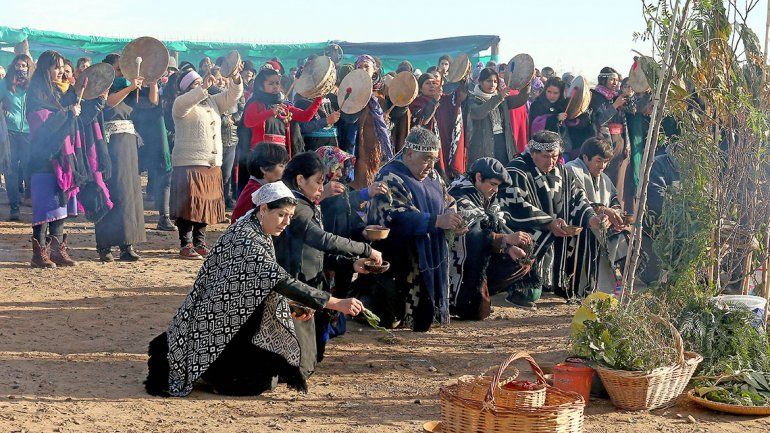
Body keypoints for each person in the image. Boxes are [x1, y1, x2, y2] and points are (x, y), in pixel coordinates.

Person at [144, 181, 369, 397]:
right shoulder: (247, 240)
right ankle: (212, 372)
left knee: (267, 376)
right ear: (263, 209)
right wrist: (337, 303)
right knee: (256, 383)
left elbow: (260, 283)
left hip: (235, 314)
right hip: (217, 324)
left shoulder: (253, 225)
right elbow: (279, 280)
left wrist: (292, 304)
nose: (286, 222)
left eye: (290, 216)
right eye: (281, 215)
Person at [274, 152, 381, 375]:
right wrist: (366, 249)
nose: (322, 188)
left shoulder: (306, 204)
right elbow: (322, 240)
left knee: (311, 355)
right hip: (297, 287)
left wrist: (352, 264)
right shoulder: (296, 208)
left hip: (310, 283)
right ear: (300, 180)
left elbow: (316, 252)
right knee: (299, 361)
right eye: (318, 182)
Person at [362, 127, 465, 331]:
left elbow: (448, 201)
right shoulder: (390, 176)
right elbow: (395, 218)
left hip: (432, 251)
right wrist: (437, 221)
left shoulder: (434, 176)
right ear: (409, 153)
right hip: (399, 257)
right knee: (389, 318)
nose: (431, 165)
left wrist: (454, 220)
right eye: (426, 158)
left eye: (434, 159)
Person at [497, 131, 607, 308]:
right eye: (546, 156)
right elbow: (516, 206)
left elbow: (578, 197)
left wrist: (592, 218)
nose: (551, 161)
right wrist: (548, 223)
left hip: (557, 228)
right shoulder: (516, 170)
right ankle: (519, 288)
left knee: (585, 229)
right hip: (525, 229)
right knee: (530, 293)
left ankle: (567, 284)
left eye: (555, 156)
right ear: (533, 153)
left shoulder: (561, 171)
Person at [26, 50, 110, 267]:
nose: (60, 72)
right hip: (43, 157)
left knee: (60, 204)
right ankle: (39, 253)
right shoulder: (36, 92)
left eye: (63, 68)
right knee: (45, 205)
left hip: (63, 159)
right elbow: (40, 122)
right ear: (46, 68)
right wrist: (67, 113)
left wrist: (96, 97)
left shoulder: (57, 92)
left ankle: (57, 251)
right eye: (56, 67)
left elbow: (77, 116)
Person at [171, 65, 243, 259]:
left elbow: (233, 96)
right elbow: (187, 102)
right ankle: (185, 244)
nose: (202, 86)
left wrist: (235, 77)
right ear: (187, 88)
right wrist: (202, 87)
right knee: (188, 205)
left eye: (201, 83)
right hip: (189, 162)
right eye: (195, 84)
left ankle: (199, 242)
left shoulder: (212, 101)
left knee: (205, 204)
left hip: (211, 162)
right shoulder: (180, 102)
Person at [448, 157, 532, 320]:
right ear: (478, 177)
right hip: (459, 257)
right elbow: (472, 236)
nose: (495, 190)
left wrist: (509, 246)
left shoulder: (487, 196)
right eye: (493, 184)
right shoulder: (459, 194)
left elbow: (494, 225)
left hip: (483, 249)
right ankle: (461, 301)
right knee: (477, 312)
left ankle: (483, 294)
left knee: (523, 257)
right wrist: (506, 239)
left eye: (497, 186)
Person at [95, 54, 148, 262]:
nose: (121, 74)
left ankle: (127, 245)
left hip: (128, 146)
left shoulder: (129, 89)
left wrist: (143, 82)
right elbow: (108, 104)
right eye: (117, 70)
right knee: (111, 192)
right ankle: (104, 245)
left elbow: (152, 102)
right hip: (109, 146)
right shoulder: (99, 88)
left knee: (129, 193)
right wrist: (129, 88)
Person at [317, 145, 388, 298]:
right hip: (322, 259)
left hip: (343, 257)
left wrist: (365, 231)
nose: (340, 173)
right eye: (336, 167)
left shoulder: (341, 191)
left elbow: (351, 218)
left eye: (342, 168)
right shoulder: (314, 192)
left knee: (341, 301)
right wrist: (365, 193)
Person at [564, 137, 629, 299]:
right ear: (585, 157)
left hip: (600, 226)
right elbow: (577, 203)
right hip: (576, 225)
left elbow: (613, 199)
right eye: (599, 161)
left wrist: (615, 216)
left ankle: (620, 285)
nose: (602, 166)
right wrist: (604, 212)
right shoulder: (571, 170)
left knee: (624, 235)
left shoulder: (604, 177)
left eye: (606, 162)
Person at [243, 66, 321, 161]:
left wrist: (318, 98)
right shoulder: (255, 104)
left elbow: (306, 116)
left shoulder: (284, 106)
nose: (275, 86)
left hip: (281, 154)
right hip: (261, 154)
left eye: (277, 83)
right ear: (260, 86)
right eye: (271, 84)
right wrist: (271, 112)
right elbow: (248, 122)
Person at [339, 55, 393, 189]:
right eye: (359, 67)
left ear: (375, 70)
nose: (362, 69)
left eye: (366, 66)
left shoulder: (382, 93)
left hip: (377, 146)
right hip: (356, 145)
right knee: (359, 184)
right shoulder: (348, 91)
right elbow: (346, 118)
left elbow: (396, 115)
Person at [589, 67, 630, 210]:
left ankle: (617, 210)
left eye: (617, 80)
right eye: (612, 79)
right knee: (604, 175)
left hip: (619, 140)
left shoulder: (616, 96)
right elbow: (599, 120)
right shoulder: (596, 97)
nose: (615, 83)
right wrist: (615, 105)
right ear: (604, 79)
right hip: (604, 141)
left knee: (619, 178)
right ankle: (603, 210)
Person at [0, 54, 33, 221]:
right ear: (13, 66)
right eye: (18, 65)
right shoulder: (4, 84)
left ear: (29, 68)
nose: (21, 68)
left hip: (29, 133)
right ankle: (14, 208)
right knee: (10, 170)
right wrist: (3, 112)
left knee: (28, 169)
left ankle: (30, 198)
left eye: (24, 66)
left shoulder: (32, 86)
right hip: (10, 133)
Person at [466, 67, 518, 166]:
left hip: (502, 140)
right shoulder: (473, 99)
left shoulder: (502, 98)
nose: (492, 84)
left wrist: (527, 84)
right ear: (480, 82)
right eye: (489, 81)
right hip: (484, 143)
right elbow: (478, 113)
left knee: (505, 170)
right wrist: (499, 98)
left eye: (495, 81)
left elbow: (520, 100)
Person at [231, 142, 288, 222]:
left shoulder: (256, 186)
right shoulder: (257, 192)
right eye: (281, 166)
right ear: (264, 169)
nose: (284, 170)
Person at [294, 56, 341, 151]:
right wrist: (326, 121)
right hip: (313, 146)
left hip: (333, 144)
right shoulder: (301, 101)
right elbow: (302, 128)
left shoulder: (331, 98)